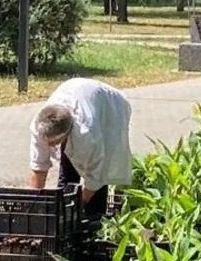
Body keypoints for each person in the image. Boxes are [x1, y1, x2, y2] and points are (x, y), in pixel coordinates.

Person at [28, 78, 132, 214]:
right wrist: (32, 205)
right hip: (75, 92)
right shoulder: (39, 125)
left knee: (103, 171)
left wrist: (79, 206)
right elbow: (38, 167)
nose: (50, 146)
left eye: (54, 142)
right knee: (67, 164)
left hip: (109, 106)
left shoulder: (87, 133)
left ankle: (94, 217)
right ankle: (64, 203)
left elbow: (95, 176)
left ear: (67, 133)